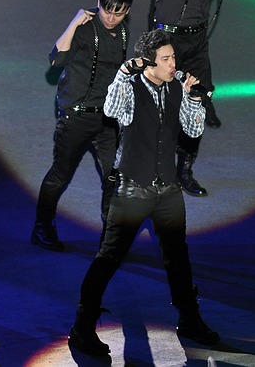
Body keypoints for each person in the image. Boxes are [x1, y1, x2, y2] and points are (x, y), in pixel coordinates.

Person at [68, 29, 220, 357]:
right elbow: (111, 110)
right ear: (149, 63)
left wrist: (194, 99)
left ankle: (190, 319)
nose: (173, 64)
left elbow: (192, 130)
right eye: (166, 59)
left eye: (173, 57)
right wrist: (123, 74)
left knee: (178, 258)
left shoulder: (176, 87)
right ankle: (82, 328)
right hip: (132, 190)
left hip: (167, 190)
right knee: (109, 258)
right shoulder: (132, 87)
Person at [32, 0, 135, 251]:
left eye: (119, 12)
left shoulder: (123, 32)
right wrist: (74, 22)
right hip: (76, 117)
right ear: (98, 3)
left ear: (127, 10)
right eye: (107, 10)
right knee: (60, 175)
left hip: (108, 119)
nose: (111, 18)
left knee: (114, 177)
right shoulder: (84, 28)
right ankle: (42, 228)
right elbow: (56, 59)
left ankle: (110, 237)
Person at [152, 0, 227, 197]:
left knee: (198, 101)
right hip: (170, 40)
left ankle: (184, 170)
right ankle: (154, 167)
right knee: (161, 107)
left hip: (197, 40)